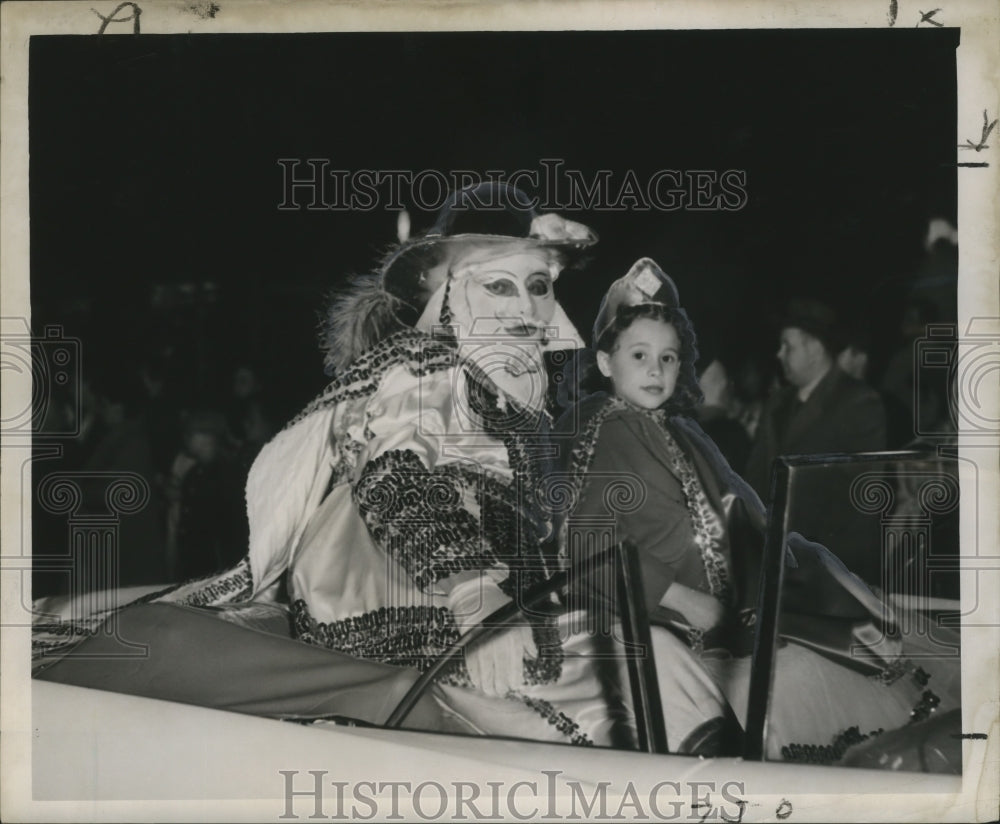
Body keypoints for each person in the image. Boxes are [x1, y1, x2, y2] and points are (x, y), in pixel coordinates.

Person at [34, 184, 633, 749]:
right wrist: (473, 590)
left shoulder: (510, 397)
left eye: (538, 285)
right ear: (449, 294)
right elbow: (396, 476)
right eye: (499, 286)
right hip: (399, 592)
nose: (527, 306)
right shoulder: (429, 363)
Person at [554, 258, 959, 762]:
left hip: (733, 603)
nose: (656, 371)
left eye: (669, 358)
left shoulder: (682, 431)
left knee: (850, 622)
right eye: (639, 355)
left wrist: (803, 565)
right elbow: (585, 546)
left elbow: (746, 511)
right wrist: (683, 599)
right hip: (663, 616)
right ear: (605, 361)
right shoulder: (599, 430)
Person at [744, 298, 886, 498]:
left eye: (788, 346)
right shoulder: (777, 402)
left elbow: (863, 492)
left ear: (815, 350)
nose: (779, 354)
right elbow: (756, 476)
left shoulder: (858, 403)